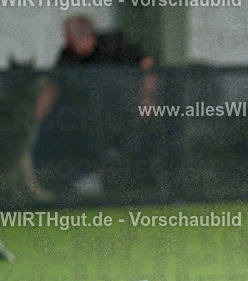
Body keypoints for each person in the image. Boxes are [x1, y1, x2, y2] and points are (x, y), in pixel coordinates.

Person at [31, 14, 157, 196]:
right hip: (85, 118)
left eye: (69, 37)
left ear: (88, 36)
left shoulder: (114, 43)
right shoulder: (67, 55)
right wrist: (36, 116)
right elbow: (53, 87)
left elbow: (146, 64)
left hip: (125, 111)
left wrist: (146, 98)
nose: (66, 41)